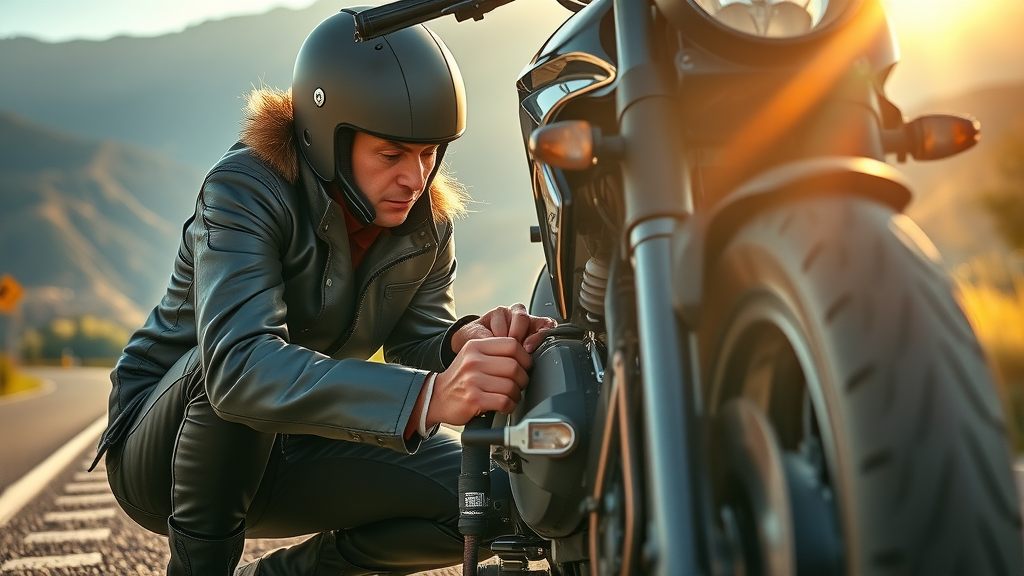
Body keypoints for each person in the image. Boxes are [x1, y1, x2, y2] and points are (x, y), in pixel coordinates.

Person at [91, 9, 555, 576]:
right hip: (163, 457)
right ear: (328, 139)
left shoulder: (427, 225)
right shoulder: (244, 190)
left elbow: (419, 343)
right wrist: (430, 397)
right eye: (392, 155)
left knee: (494, 507)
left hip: (297, 442)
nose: (418, 178)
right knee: (231, 373)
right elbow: (239, 371)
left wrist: (466, 344)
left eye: (430, 153)